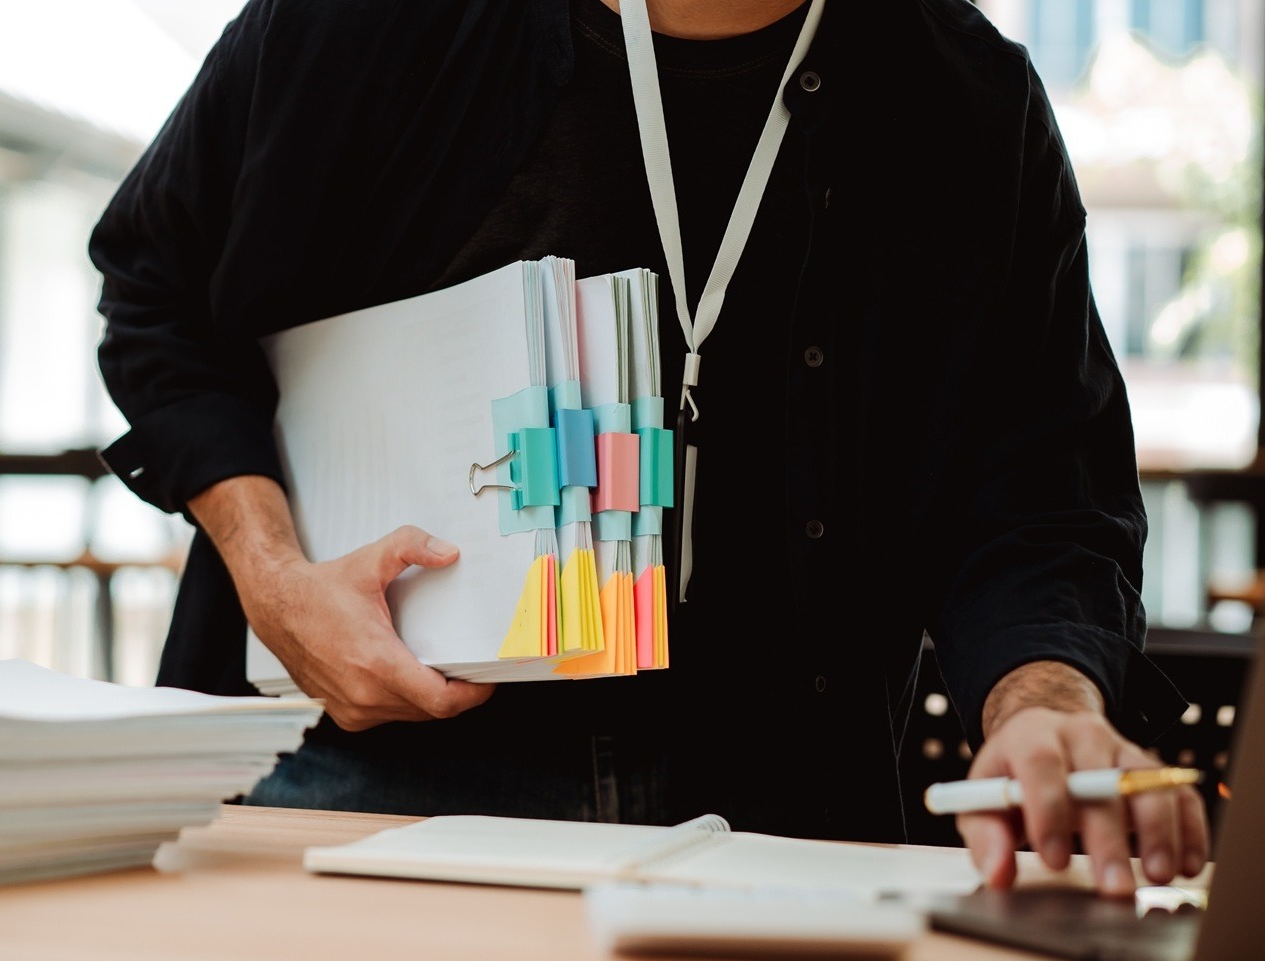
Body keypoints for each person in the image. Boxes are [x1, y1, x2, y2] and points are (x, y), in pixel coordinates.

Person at [88, 0, 1210, 899]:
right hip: (357, 788)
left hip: (780, 834)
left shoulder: (968, 102)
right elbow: (155, 292)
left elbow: (1042, 497)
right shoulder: (372, 24)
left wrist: (1042, 700)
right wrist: (273, 576)